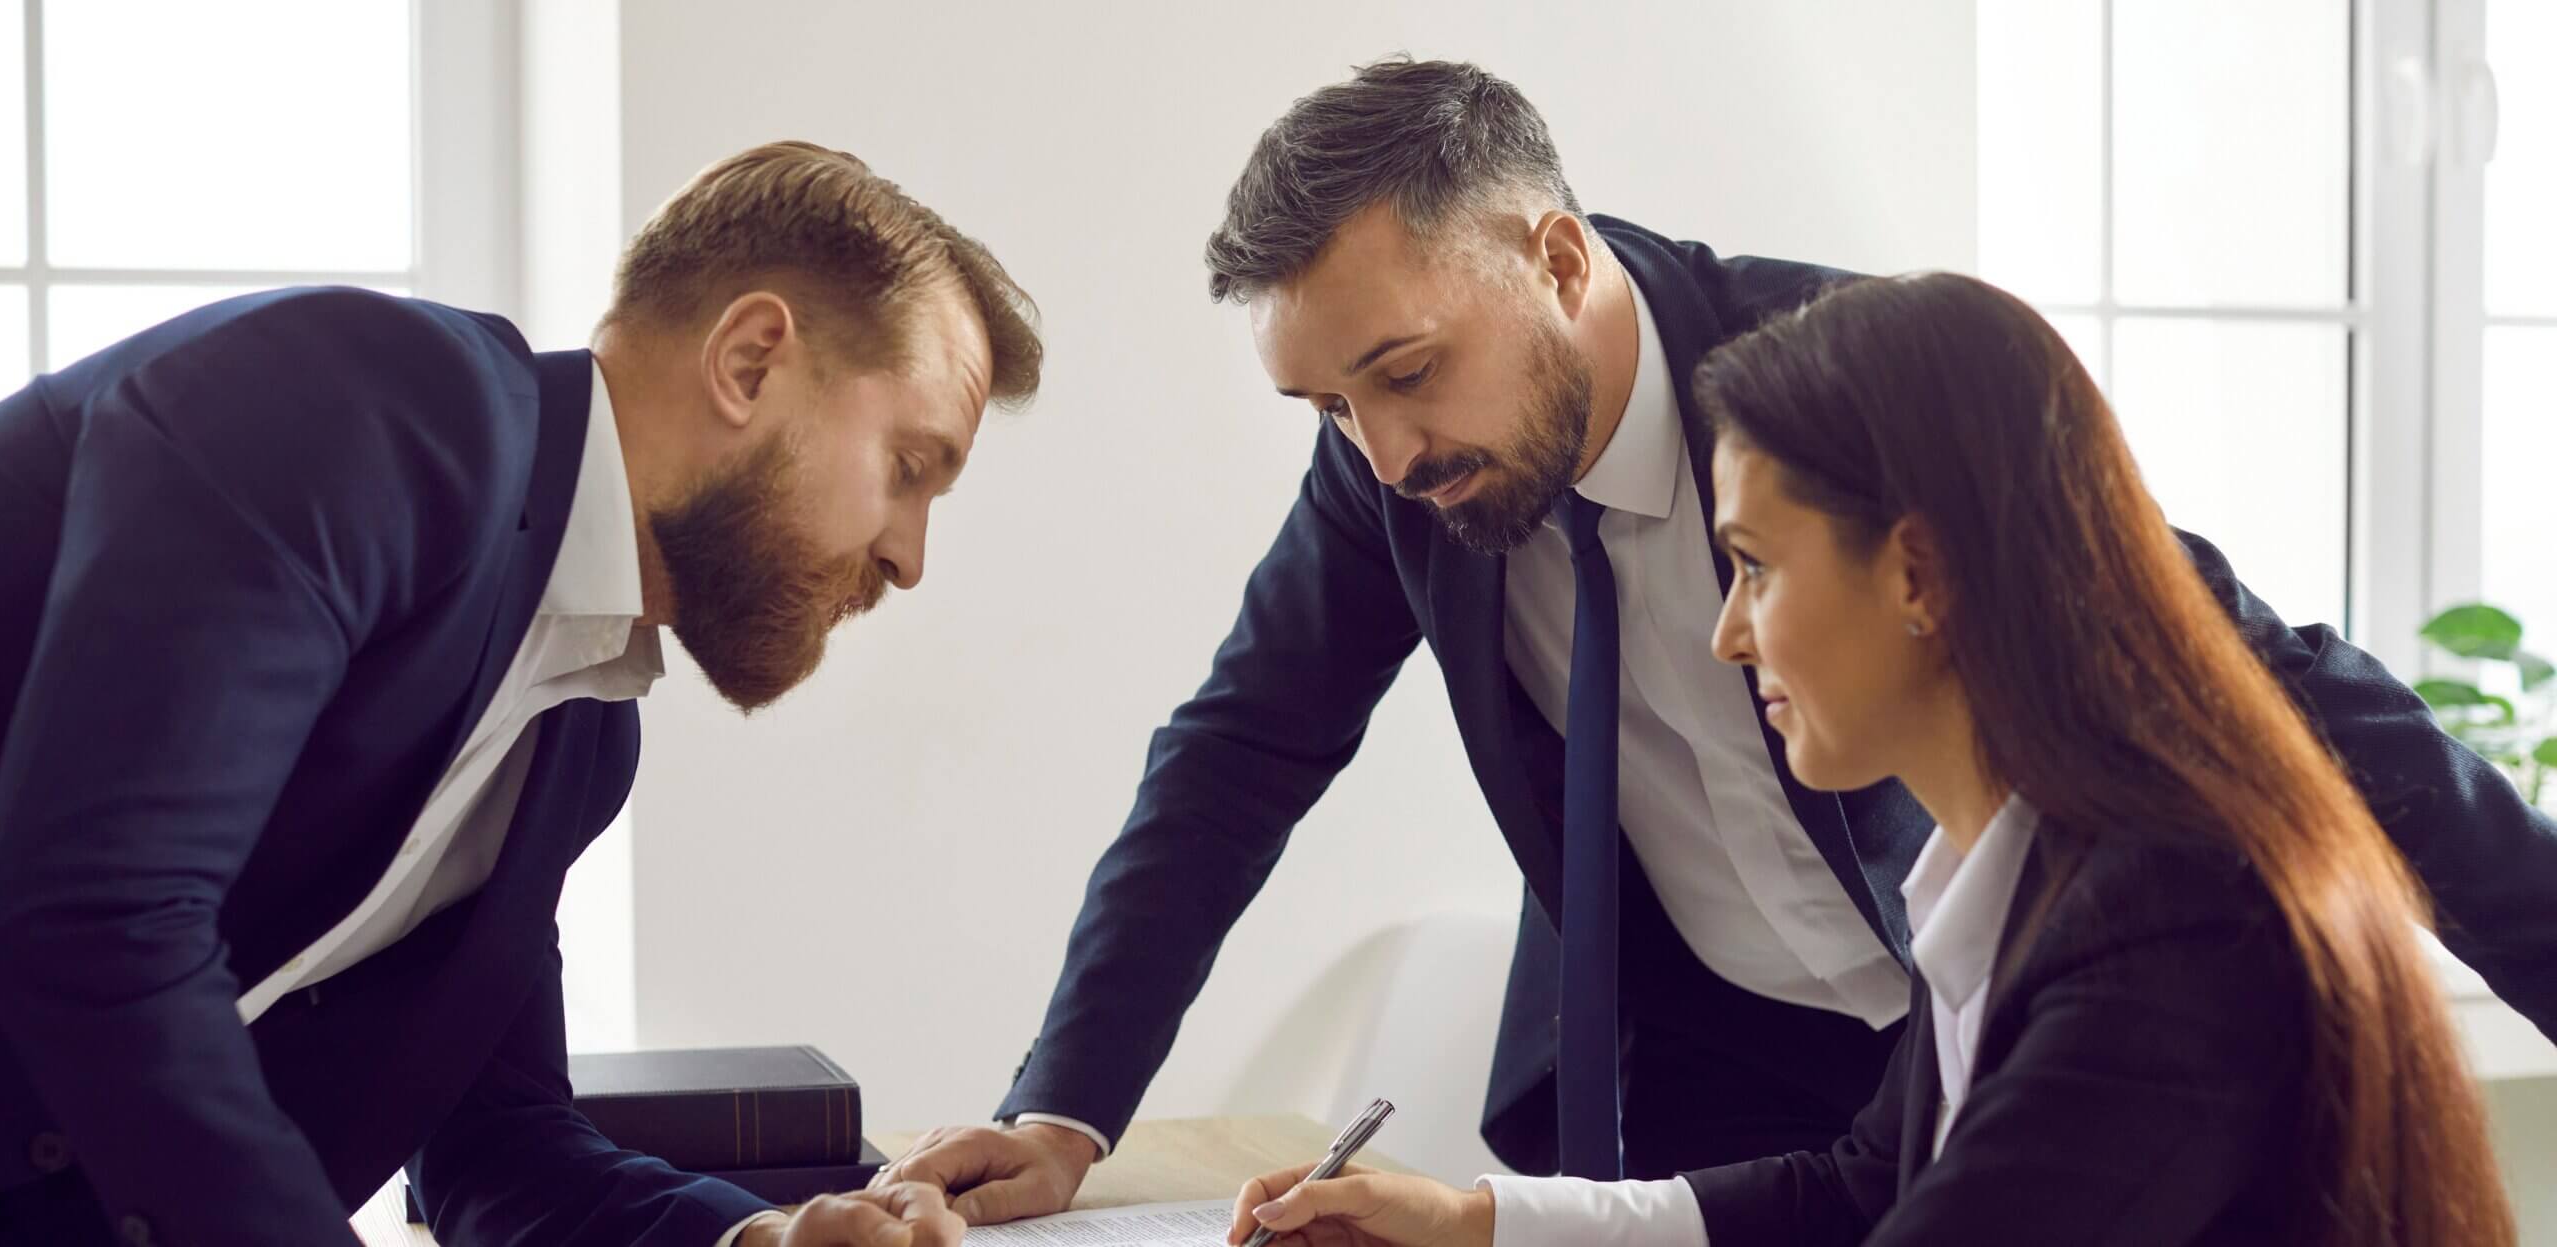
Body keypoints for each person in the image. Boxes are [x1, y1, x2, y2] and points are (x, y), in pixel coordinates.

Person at [878, 58, 2557, 1223]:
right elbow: (1234, 758)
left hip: (1972, 1038)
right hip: (1686, 1084)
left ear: (1553, 255)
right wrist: (1065, 1105)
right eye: (1327, 406)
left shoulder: (1839, 380)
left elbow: (2244, 666)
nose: (1380, 453)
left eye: (1402, 371)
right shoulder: (1389, 471)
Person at [1220, 272, 2517, 1245]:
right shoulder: (2003, 871)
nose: (1726, 633)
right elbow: (1850, 1183)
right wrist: (1478, 1219)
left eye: (1759, 569)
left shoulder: (2163, 928)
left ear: (1919, 572)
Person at [0, 141, 1039, 1247]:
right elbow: (100, 912)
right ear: (748, 360)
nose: (910, 557)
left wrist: (758, 1240)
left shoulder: (577, 738)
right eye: (911, 467)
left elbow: (500, 1149)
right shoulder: (368, 407)